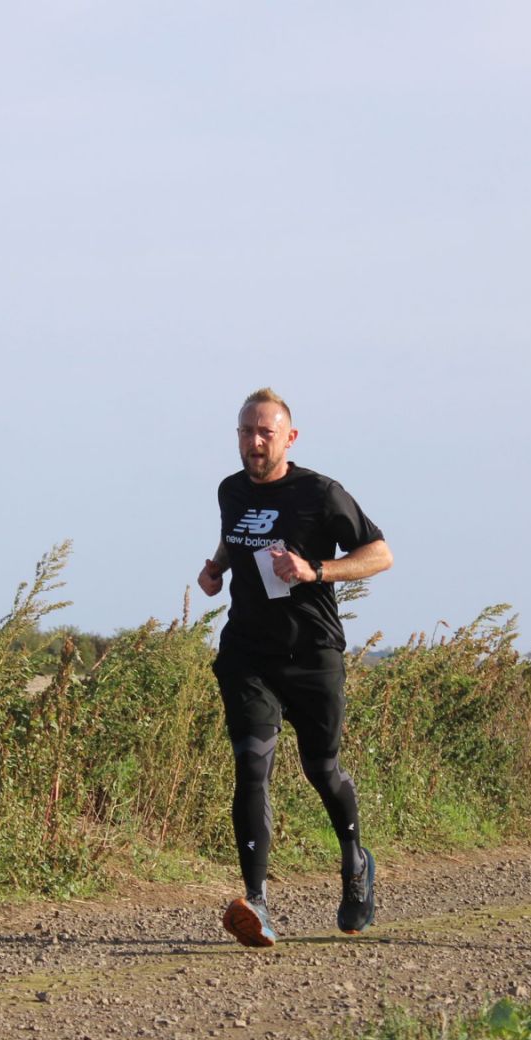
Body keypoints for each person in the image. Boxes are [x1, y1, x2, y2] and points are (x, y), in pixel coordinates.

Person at [197, 388, 393, 947]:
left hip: (312, 652)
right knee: (251, 766)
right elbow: (237, 534)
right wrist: (216, 567)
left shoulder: (320, 493)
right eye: (246, 432)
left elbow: (380, 554)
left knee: (321, 769)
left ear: (289, 437)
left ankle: (355, 861)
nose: (254, 442)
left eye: (266, 432)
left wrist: (316, 571)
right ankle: (256, 903)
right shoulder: (230, 490)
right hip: (248, 653)